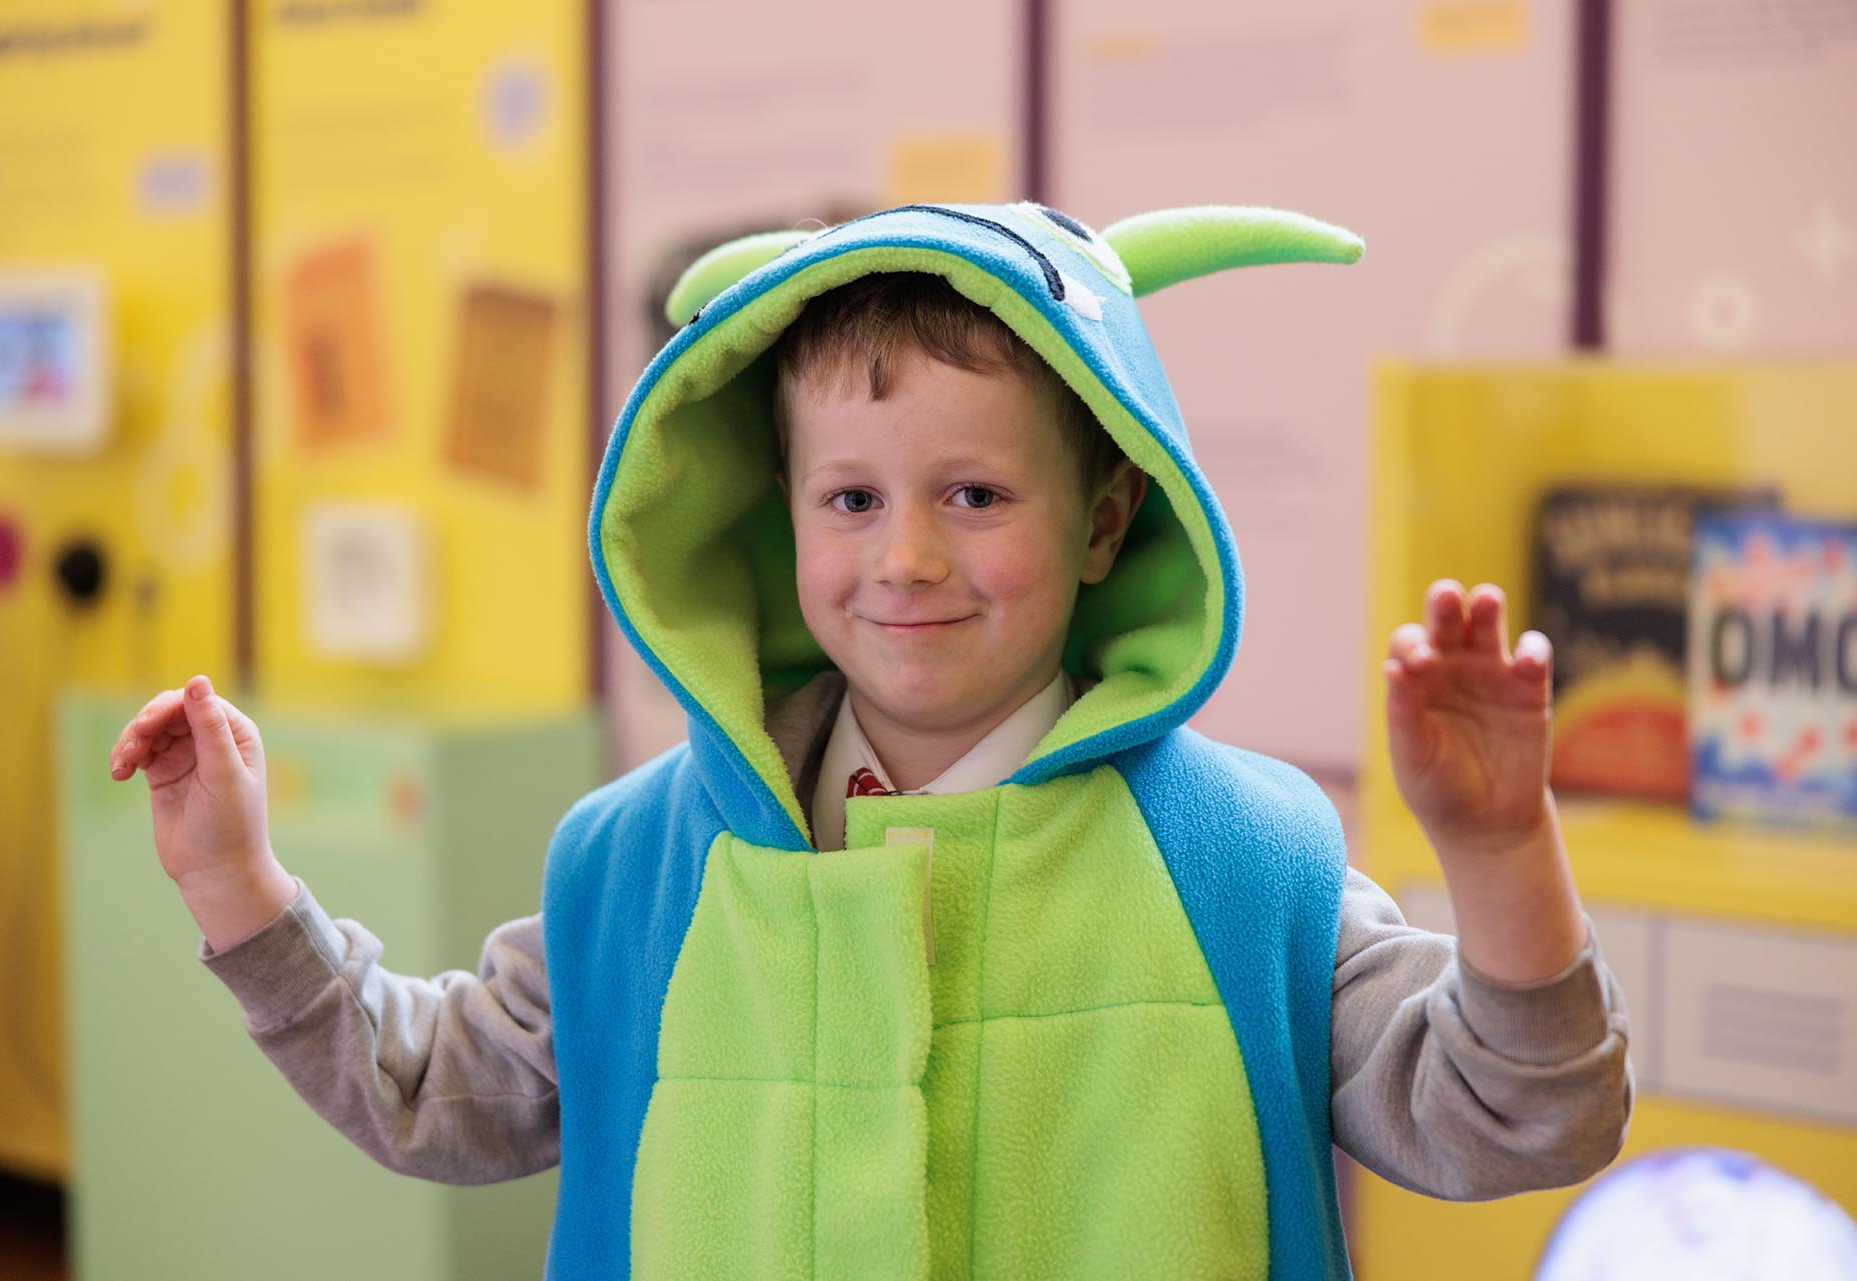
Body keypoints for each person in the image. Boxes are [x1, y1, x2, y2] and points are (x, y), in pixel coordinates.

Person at [109, 202, 1631, 1281]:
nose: (903, 557)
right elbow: (429, 1088)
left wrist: (1501, 847)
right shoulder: (638, 860)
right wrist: (241, 888)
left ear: (1107, 520)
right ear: (784, 518)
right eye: (851, 498)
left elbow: (1523, 1116)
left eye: (974, 494)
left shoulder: (1248, 862)